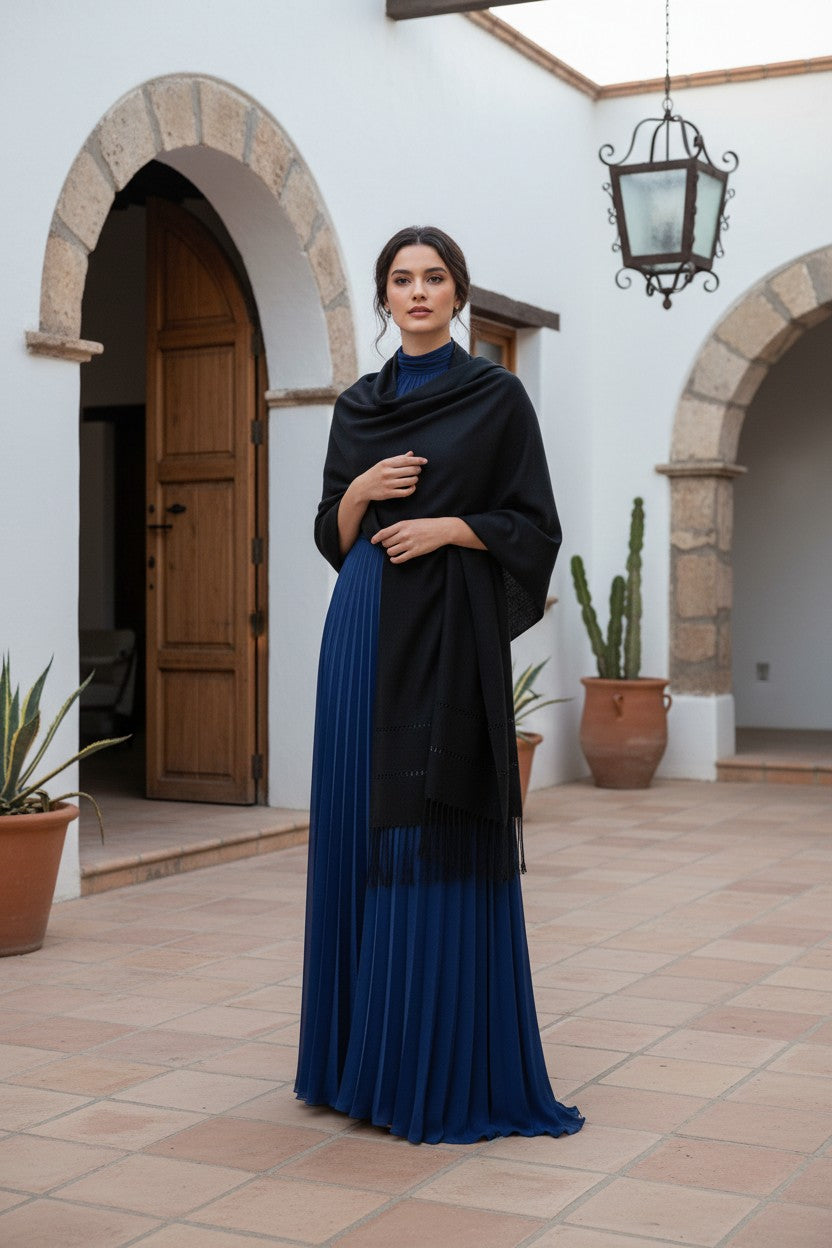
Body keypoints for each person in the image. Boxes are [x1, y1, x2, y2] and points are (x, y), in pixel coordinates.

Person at [294, 225, 584, 1145]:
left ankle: (427, 1064)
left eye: (433, 277)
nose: (417, 292)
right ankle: (352, 1065)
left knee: (429, 827)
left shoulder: (497, 398)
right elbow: (331, 534)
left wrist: (453, 528)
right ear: (385, 297)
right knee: (361, 832)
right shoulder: (358, 406)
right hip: (364, 627)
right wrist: (361, 491)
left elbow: (534, 527)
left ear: (459, 293)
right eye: (400, 279)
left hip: (446, 636)